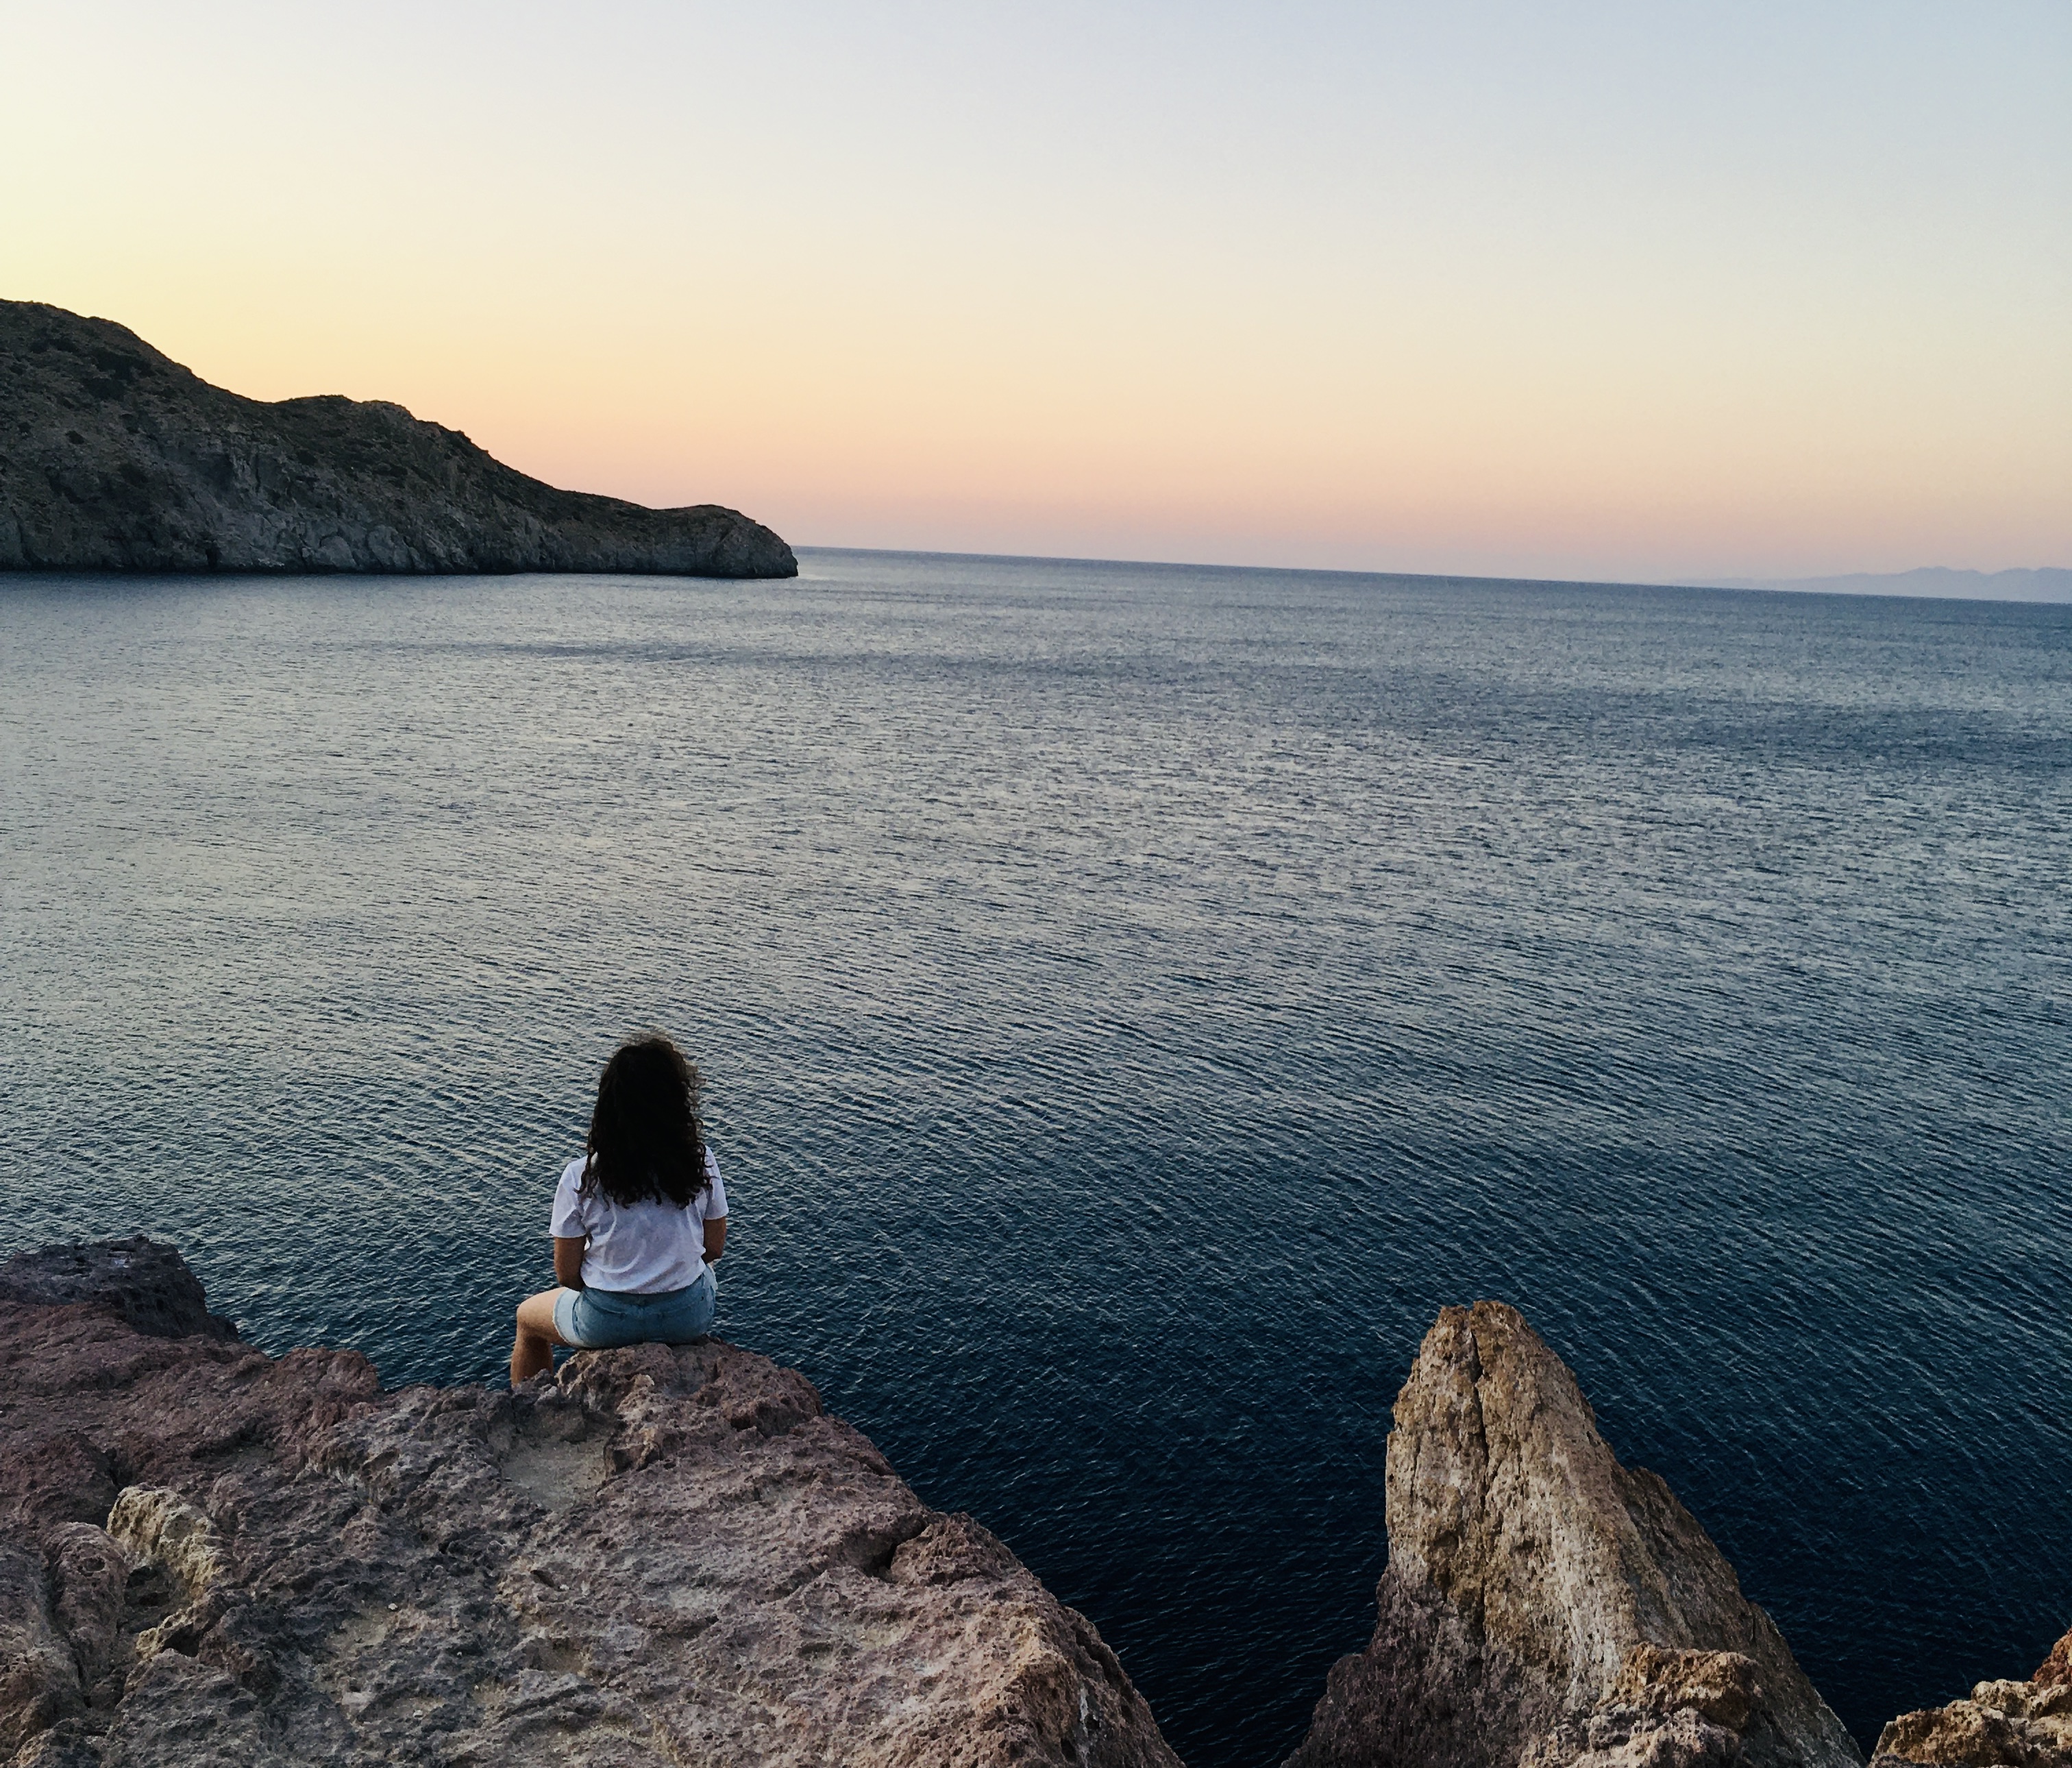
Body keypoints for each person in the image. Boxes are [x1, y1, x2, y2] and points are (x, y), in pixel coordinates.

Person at [510, 1031, 729, 1386]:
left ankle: (529, 1406)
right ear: (676, 1104)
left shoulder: (580, 1176)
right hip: (686, 1318)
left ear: (608, 1107)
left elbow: (566, 1275)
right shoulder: (701, 1163)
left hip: (605, 1323)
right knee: (705, 1275)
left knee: (526, 1319)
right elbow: (714, 1248)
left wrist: (617, 1289)